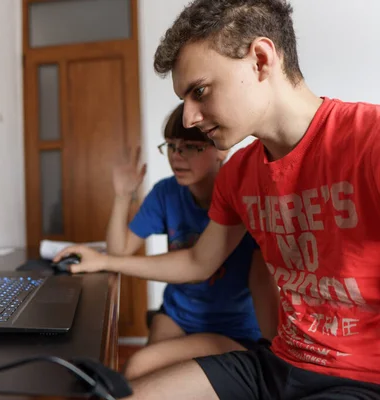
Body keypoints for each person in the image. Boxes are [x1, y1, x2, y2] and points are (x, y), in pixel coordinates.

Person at [54, 0, 380, 398]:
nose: (189, 117)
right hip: (278, 363)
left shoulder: (369, 141)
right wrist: (103, 260)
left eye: (200, 91)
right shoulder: (239, 174)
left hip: (361, 378)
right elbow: (198, 261)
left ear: (261, 59)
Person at [106, 103, 278, 380]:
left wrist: (272, 349)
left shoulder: (243, 197)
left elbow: (261, 282)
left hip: (234, 328)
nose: (176, 156)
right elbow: (119, 252)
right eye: (172, 146)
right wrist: (122, 196)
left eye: (190, 146)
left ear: (220, 150)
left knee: (145, 368)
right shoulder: (166, 193)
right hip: (178, 314)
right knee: (140, 374)